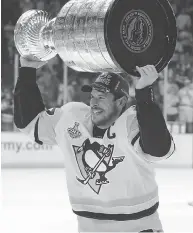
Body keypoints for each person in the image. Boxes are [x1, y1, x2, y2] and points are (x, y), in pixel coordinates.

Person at [14, 57, 175, 233]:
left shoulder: (132, 122)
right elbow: (29, 122)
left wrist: (144, 93)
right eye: (92, 96)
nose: (93, 103)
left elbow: (159, 149)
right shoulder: (71, 117)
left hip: (139, 227)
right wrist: (27, 71)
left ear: (120, 102)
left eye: (101, 97)